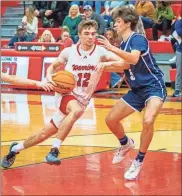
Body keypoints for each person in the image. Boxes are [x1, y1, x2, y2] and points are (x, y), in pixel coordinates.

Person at [1, 20, 125, 168]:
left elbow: (123, 62)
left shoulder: (101, 52)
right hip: (65, 93)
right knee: (75, 110)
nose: (90, 37)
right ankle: (54, 151)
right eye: (86, 34)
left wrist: (106, 64)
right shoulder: (69, 51)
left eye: (93, 34)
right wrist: (48, 77)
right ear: (79, 35)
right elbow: (52, 67)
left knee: (43, 134)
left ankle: (15, 149)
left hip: (83, 99)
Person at [97, 7, 167, 180]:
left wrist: (110, 49)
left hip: (153, 86)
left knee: (148, 120)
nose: (115, 24)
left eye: (118, 21)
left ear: (128, 23)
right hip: (137, 90)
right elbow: (125, 65)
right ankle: (125, 143)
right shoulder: (124, 43)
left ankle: (138, 161)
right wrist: (102, 66)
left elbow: (134, 58)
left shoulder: (138, 39)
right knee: (110, 120)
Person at [172, 19, 182, 97]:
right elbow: (178, 32)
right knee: (179, 71)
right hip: (180, 51)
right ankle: (177, 90)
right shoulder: (179, 22)